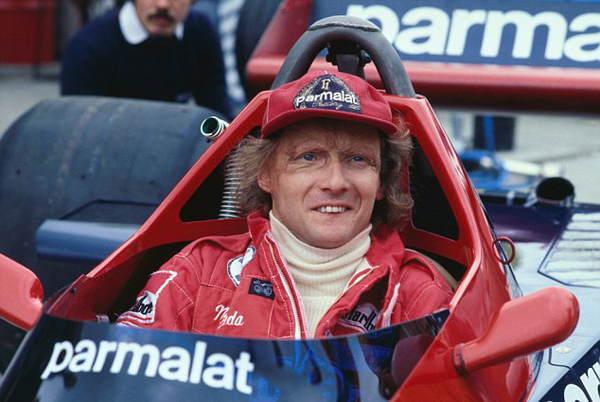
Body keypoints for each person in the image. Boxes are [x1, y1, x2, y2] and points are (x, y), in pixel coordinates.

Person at [117, 71, 453, 338]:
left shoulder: (418, 296)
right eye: (309, 157)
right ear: (265, 174)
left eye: (358, 159)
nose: (335, 182)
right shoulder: (195, 274)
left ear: (381, 181)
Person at [60, 0, 232, 118]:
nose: (163, 4)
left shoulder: (199, 31)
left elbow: (217, 110)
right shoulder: (88, 48)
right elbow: (79, 129)